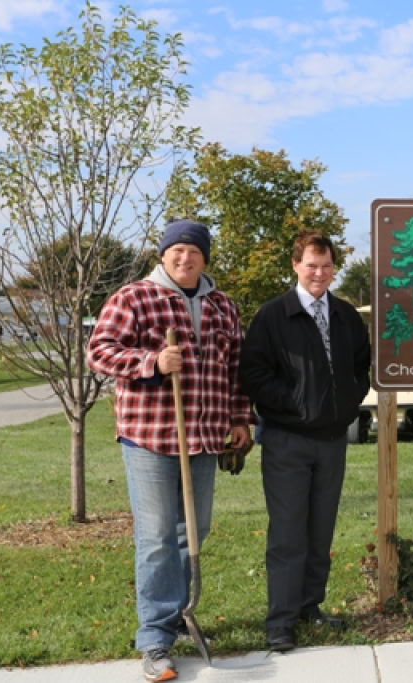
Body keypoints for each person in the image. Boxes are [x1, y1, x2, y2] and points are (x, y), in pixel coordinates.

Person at [87, 219, 252, 682]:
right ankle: (155, 638)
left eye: (194, 251)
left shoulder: (222, 305)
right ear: (163, 255)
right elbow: (98, 350)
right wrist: (151, 362)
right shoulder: (134, 297)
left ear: (205, 257)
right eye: (177, 250)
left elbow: (236, 367)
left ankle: (179, 613)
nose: (185, 258)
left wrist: (241, 418)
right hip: (151, 438)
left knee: (193, 531)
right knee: (158, 535)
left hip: (203, 437)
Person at [239, 231, 371, 653]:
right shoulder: (273, 316)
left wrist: (346, 405)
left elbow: (360, 367)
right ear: (296, 265)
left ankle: (310, 605)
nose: (319, 273)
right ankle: (280, 620)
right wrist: (296, 404)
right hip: (287, 440)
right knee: (288, 532)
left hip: (332, 441)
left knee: (321, 527)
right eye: (312, 265)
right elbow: (254, 374)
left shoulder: (347, 316)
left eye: (327, 266)